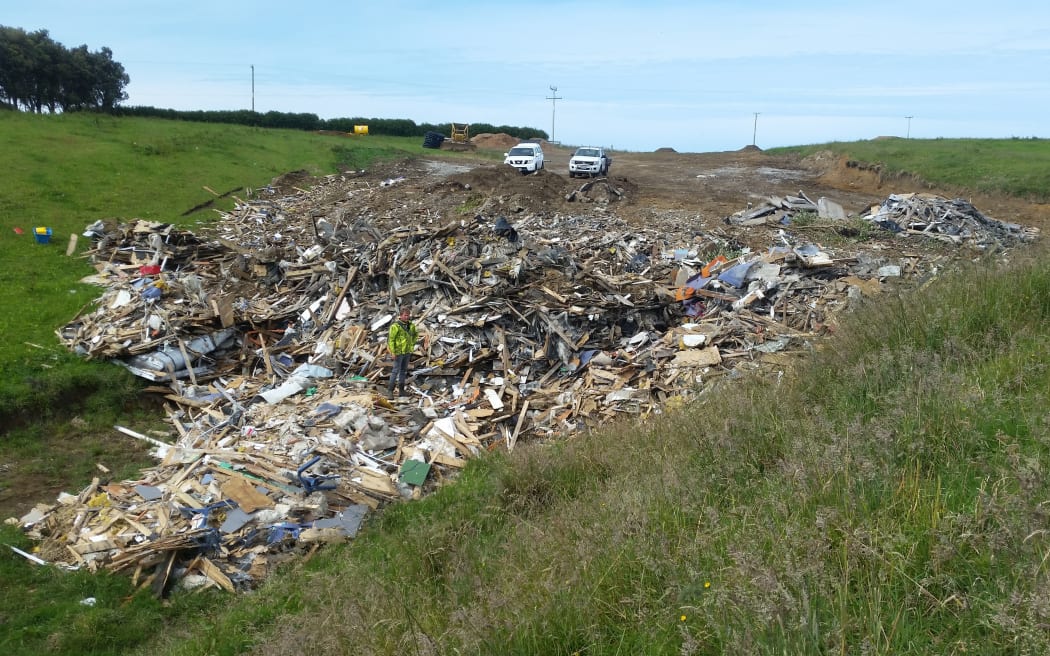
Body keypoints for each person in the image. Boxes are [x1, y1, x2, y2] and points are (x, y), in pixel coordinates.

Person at [386, 307, 421, 398]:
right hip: (398, 352)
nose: (407, 317)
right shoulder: (395, 326)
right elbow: (391, 340)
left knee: (403, 371)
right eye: (405, 315)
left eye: (408, 315)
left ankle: (401, 391)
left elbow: (415, 334)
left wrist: (412, 344)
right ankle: (390, 391)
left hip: (407, 352)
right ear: (400, 316)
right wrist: (393, 352)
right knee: (395, 371)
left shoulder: (411, 325)